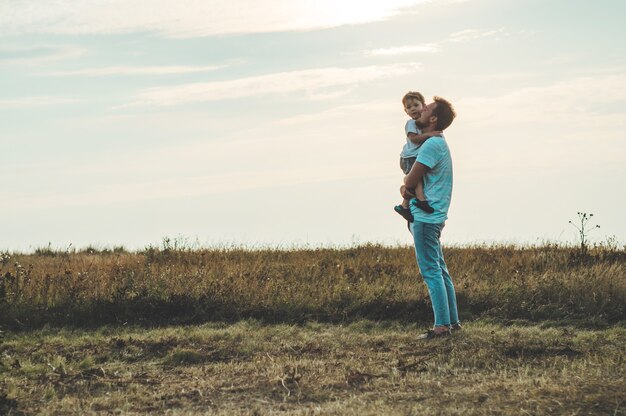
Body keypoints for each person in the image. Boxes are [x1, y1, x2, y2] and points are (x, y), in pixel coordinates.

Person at [401, 96, 460, 339]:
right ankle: (452, 322)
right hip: (434, 215)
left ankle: (441, 327)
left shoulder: (431, 144)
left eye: (426, 109)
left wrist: (406, 188)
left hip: (426, 217)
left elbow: (410, 179)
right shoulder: (437, 143)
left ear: (433, 118)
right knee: (440, 269)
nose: (421, 110)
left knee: (431, 271)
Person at [394, 91, 442, 223]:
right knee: (416, 179)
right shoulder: (411, 123)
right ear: (406, 111)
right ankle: (421, 201)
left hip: (414, 156)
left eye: (416, 105)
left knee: (415, 182)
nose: (413, 108)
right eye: (409, 107)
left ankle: (404, 206)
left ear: (424, 106)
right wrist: (430, 135)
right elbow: (414, 139)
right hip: (409, 157)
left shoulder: (421, 123)